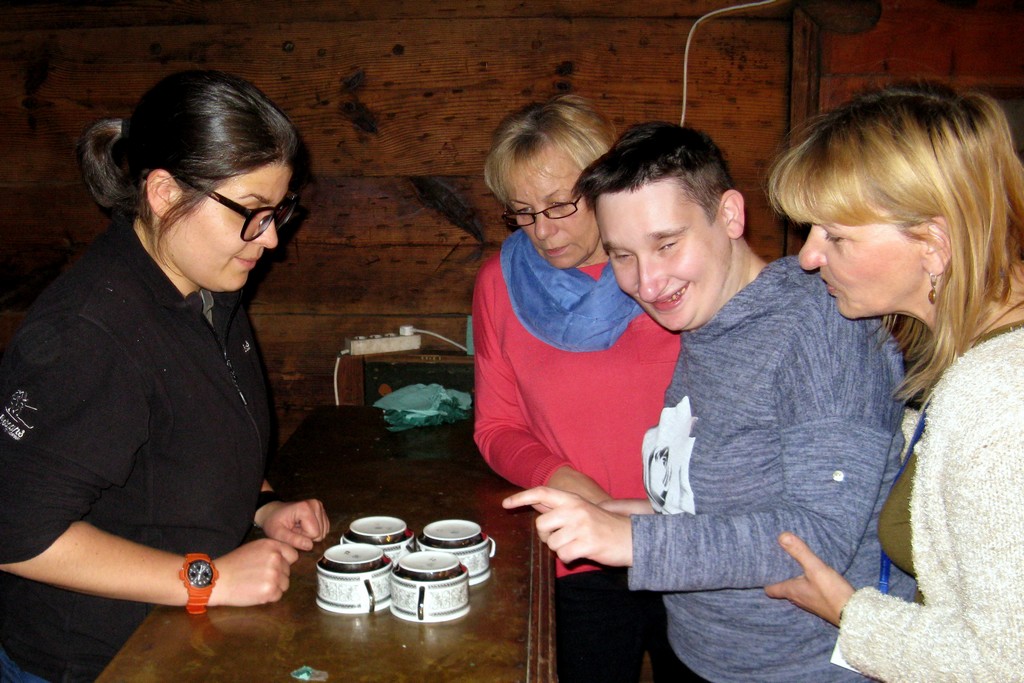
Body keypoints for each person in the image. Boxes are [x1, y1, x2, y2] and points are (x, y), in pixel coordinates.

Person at [503, 121, 917, 682]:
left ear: (729, 215)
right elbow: (731, 501)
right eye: (623, 256)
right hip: (707, 656)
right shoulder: (708, 324)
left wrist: (634, 540)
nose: (648, 283)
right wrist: (630, 512)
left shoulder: (821, 325)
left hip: (801, 670)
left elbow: (818, 537)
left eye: (666, 244)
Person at [0, 70, 329, 682]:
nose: (272, 239)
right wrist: (208, 578)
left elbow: (185, 441)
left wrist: (261, 506)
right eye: (252, 212)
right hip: (92, 661)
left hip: (176, 638)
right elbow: (15, 533)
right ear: (164, 192)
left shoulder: (208, 285)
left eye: (279, 210)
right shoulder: (89, 332)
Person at [763, 82, 1024, 680]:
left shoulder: (1001, 399)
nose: (808, 257)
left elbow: (1007, 663)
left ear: (932, 243)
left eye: (835, 236)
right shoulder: (967, 355)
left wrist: (850, 613)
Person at [474, 96, 688, 681]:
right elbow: (496, 427)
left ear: (604, 185)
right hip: (576, 554)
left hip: (688, 541)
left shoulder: (669, 275)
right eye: (522, 212)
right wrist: (565, 481)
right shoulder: (499, 284)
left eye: (559, 204)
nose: (543, 231)